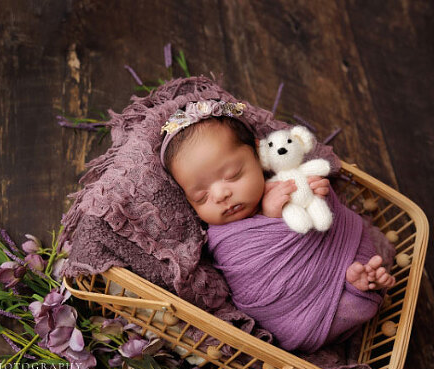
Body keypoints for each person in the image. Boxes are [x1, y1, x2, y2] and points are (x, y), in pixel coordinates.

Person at [161, 100, 395, 352]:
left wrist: (315, 192)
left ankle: (358, 283)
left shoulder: (285, 180)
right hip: (293, 319)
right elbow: (248, 274)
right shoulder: (221, 237)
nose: (220, 195)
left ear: (258, 155)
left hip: (343, 257)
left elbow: (325, 217)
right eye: (200, 197)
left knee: (368, 253)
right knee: (351, 308)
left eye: (233, 175)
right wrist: (273, 218)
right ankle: (358, 293)